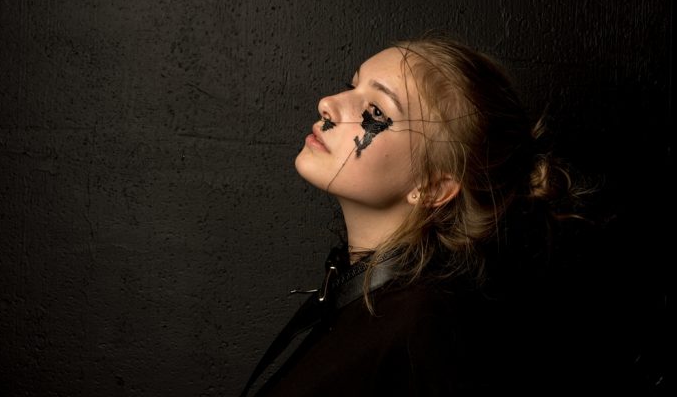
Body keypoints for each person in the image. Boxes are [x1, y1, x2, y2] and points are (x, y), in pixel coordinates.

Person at [240, 33, 588, 396]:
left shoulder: (421, 335)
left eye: (376, 112)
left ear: (433, 188)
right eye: (352, 85)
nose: (327, 103)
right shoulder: (370, 299)